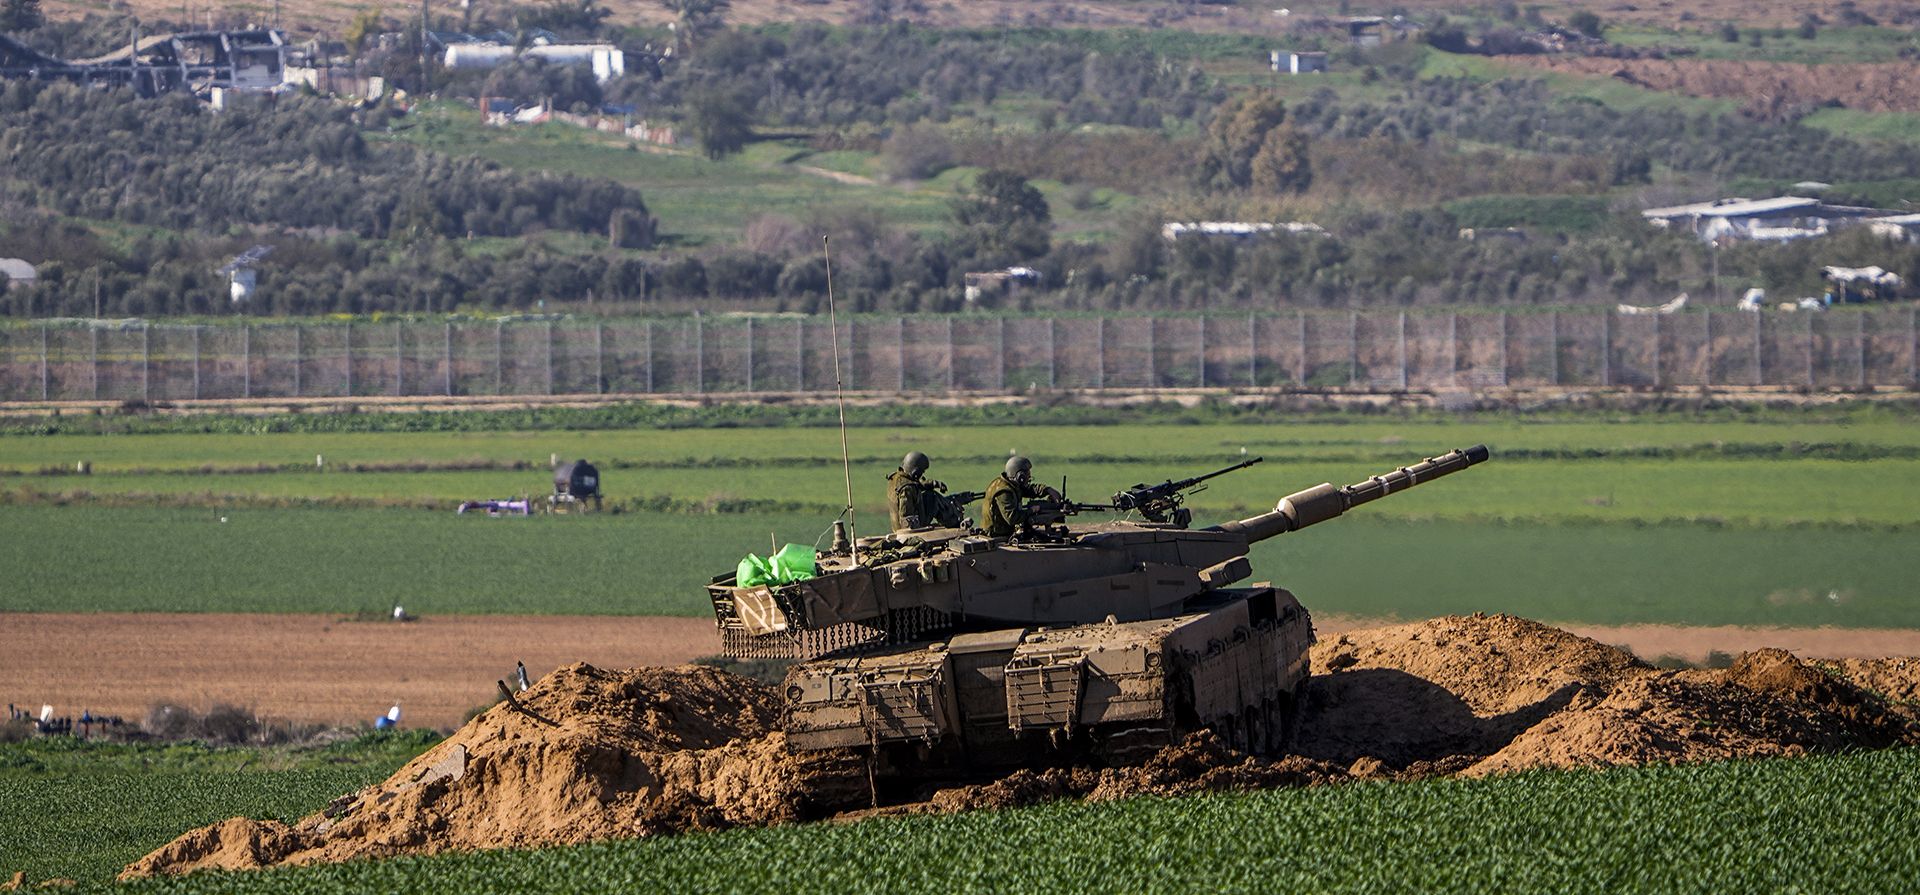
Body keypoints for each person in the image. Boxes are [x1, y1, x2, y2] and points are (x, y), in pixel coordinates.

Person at [983, 456, 1061, 538]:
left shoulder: (1012, 484)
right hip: (996, 535)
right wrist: (1032, 510)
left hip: (1004, 531)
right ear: (1020, 476)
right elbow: (1012, 518)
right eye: (1027, 474)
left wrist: (1047, 490)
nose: (1029, 477)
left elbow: (1029, 490)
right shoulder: (1004, 492)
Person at [887, 451, 963, 530]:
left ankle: (949, 512)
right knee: (932, 497)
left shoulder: (897, 478)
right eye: (922, 471)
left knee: (930, 495)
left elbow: (916, 485)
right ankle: (953, 524)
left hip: (898, 527)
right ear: (915, 471)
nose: (922, 474)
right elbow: (906, 517)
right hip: (909, 529)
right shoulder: (907, 489)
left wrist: (933, 483)